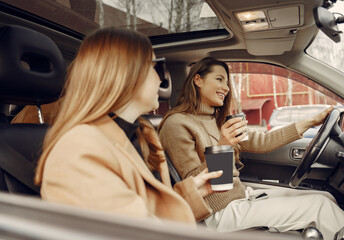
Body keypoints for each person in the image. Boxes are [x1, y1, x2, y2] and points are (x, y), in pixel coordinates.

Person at [34, 28, 223, 225]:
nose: (161, 79)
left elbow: (147, 212)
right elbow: (137, 231)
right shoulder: (79, 150)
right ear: (125, 73)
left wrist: (191, 191)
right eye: (157, 68)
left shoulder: (142, 134)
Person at [158, 57, 344, 240]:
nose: (226, 87)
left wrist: (312, 121)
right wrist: (223, 145)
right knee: (319, 206)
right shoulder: (176, 124)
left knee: (325, 196)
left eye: (227, 82)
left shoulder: (218, 120)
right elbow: (196, 185)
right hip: (216, 213)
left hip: (240, 197)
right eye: (219, 79)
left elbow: (265, 141)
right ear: (197, 80)